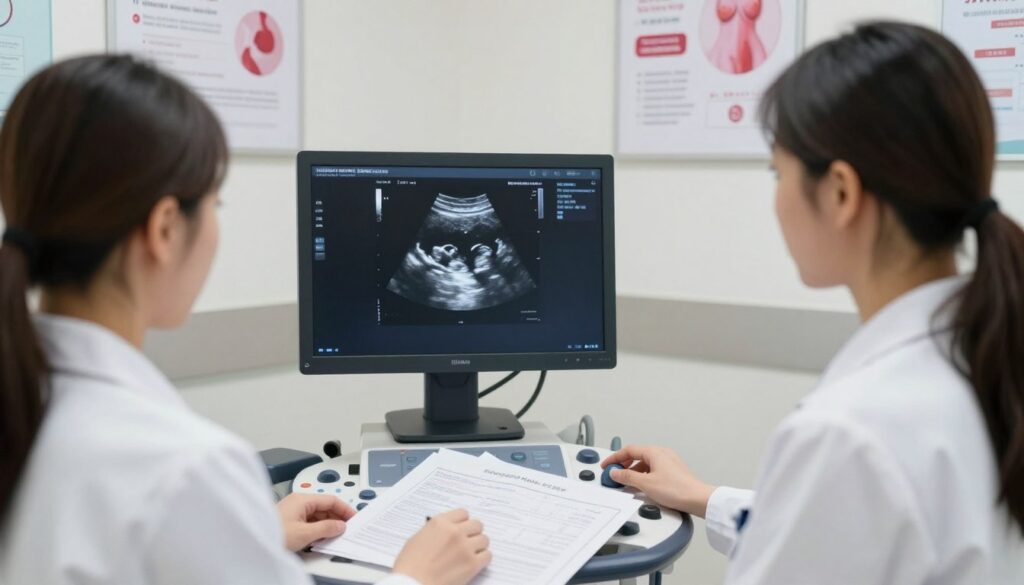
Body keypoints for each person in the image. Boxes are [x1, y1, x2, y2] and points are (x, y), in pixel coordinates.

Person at [0, 55, 491, 585]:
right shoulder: (184, 470)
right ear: (165, 228)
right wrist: (417, 577)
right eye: (216, 203)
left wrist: (237, 535)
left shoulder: (29, 408)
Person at [603, 22, 1024, 584]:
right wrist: (704, 496)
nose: (776, 200)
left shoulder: (850, 434)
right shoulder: (985, 354)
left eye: (780, 171)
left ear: (841, 193)